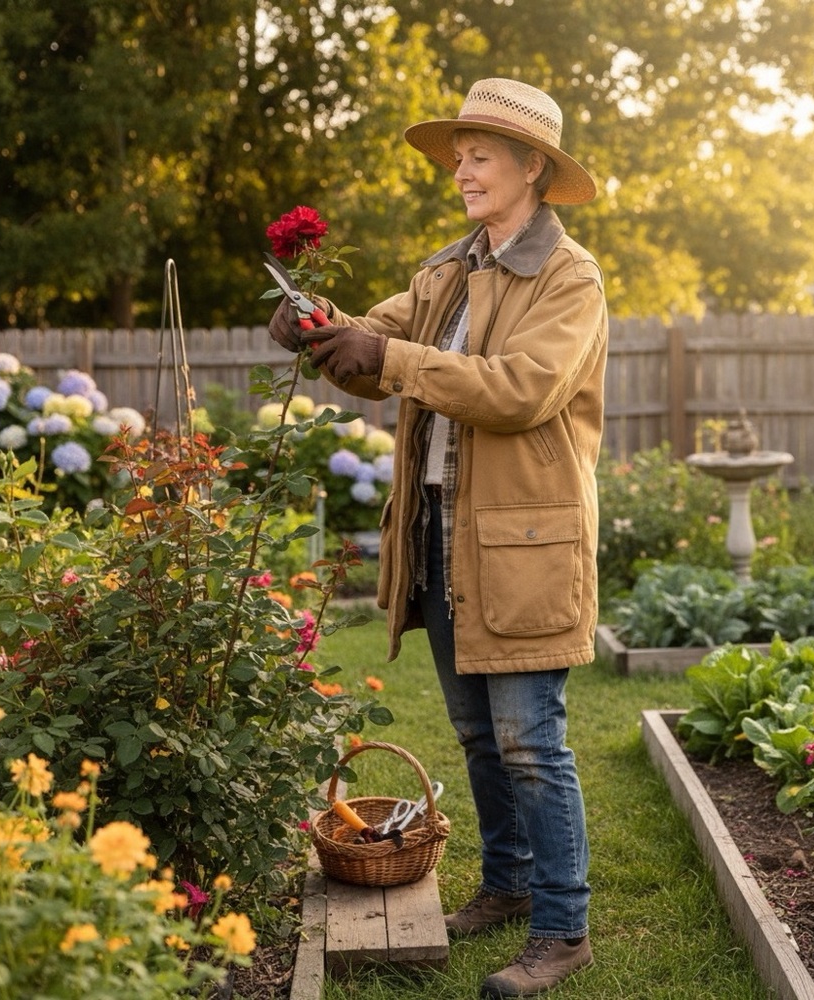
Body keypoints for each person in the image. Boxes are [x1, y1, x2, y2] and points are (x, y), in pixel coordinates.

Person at [269, 78, 608, 999]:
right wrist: (319, 326)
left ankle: (562, 926)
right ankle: (503, 886)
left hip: (524, 542)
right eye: (458, 154)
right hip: (442, 532)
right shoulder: (449, 270)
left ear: (533, 167)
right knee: (475, 732)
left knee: (530, 739)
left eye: (480, 154)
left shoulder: (568, 279)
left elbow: (520, 388)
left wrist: (391, 356)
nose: (461, 169)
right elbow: (377, 346)